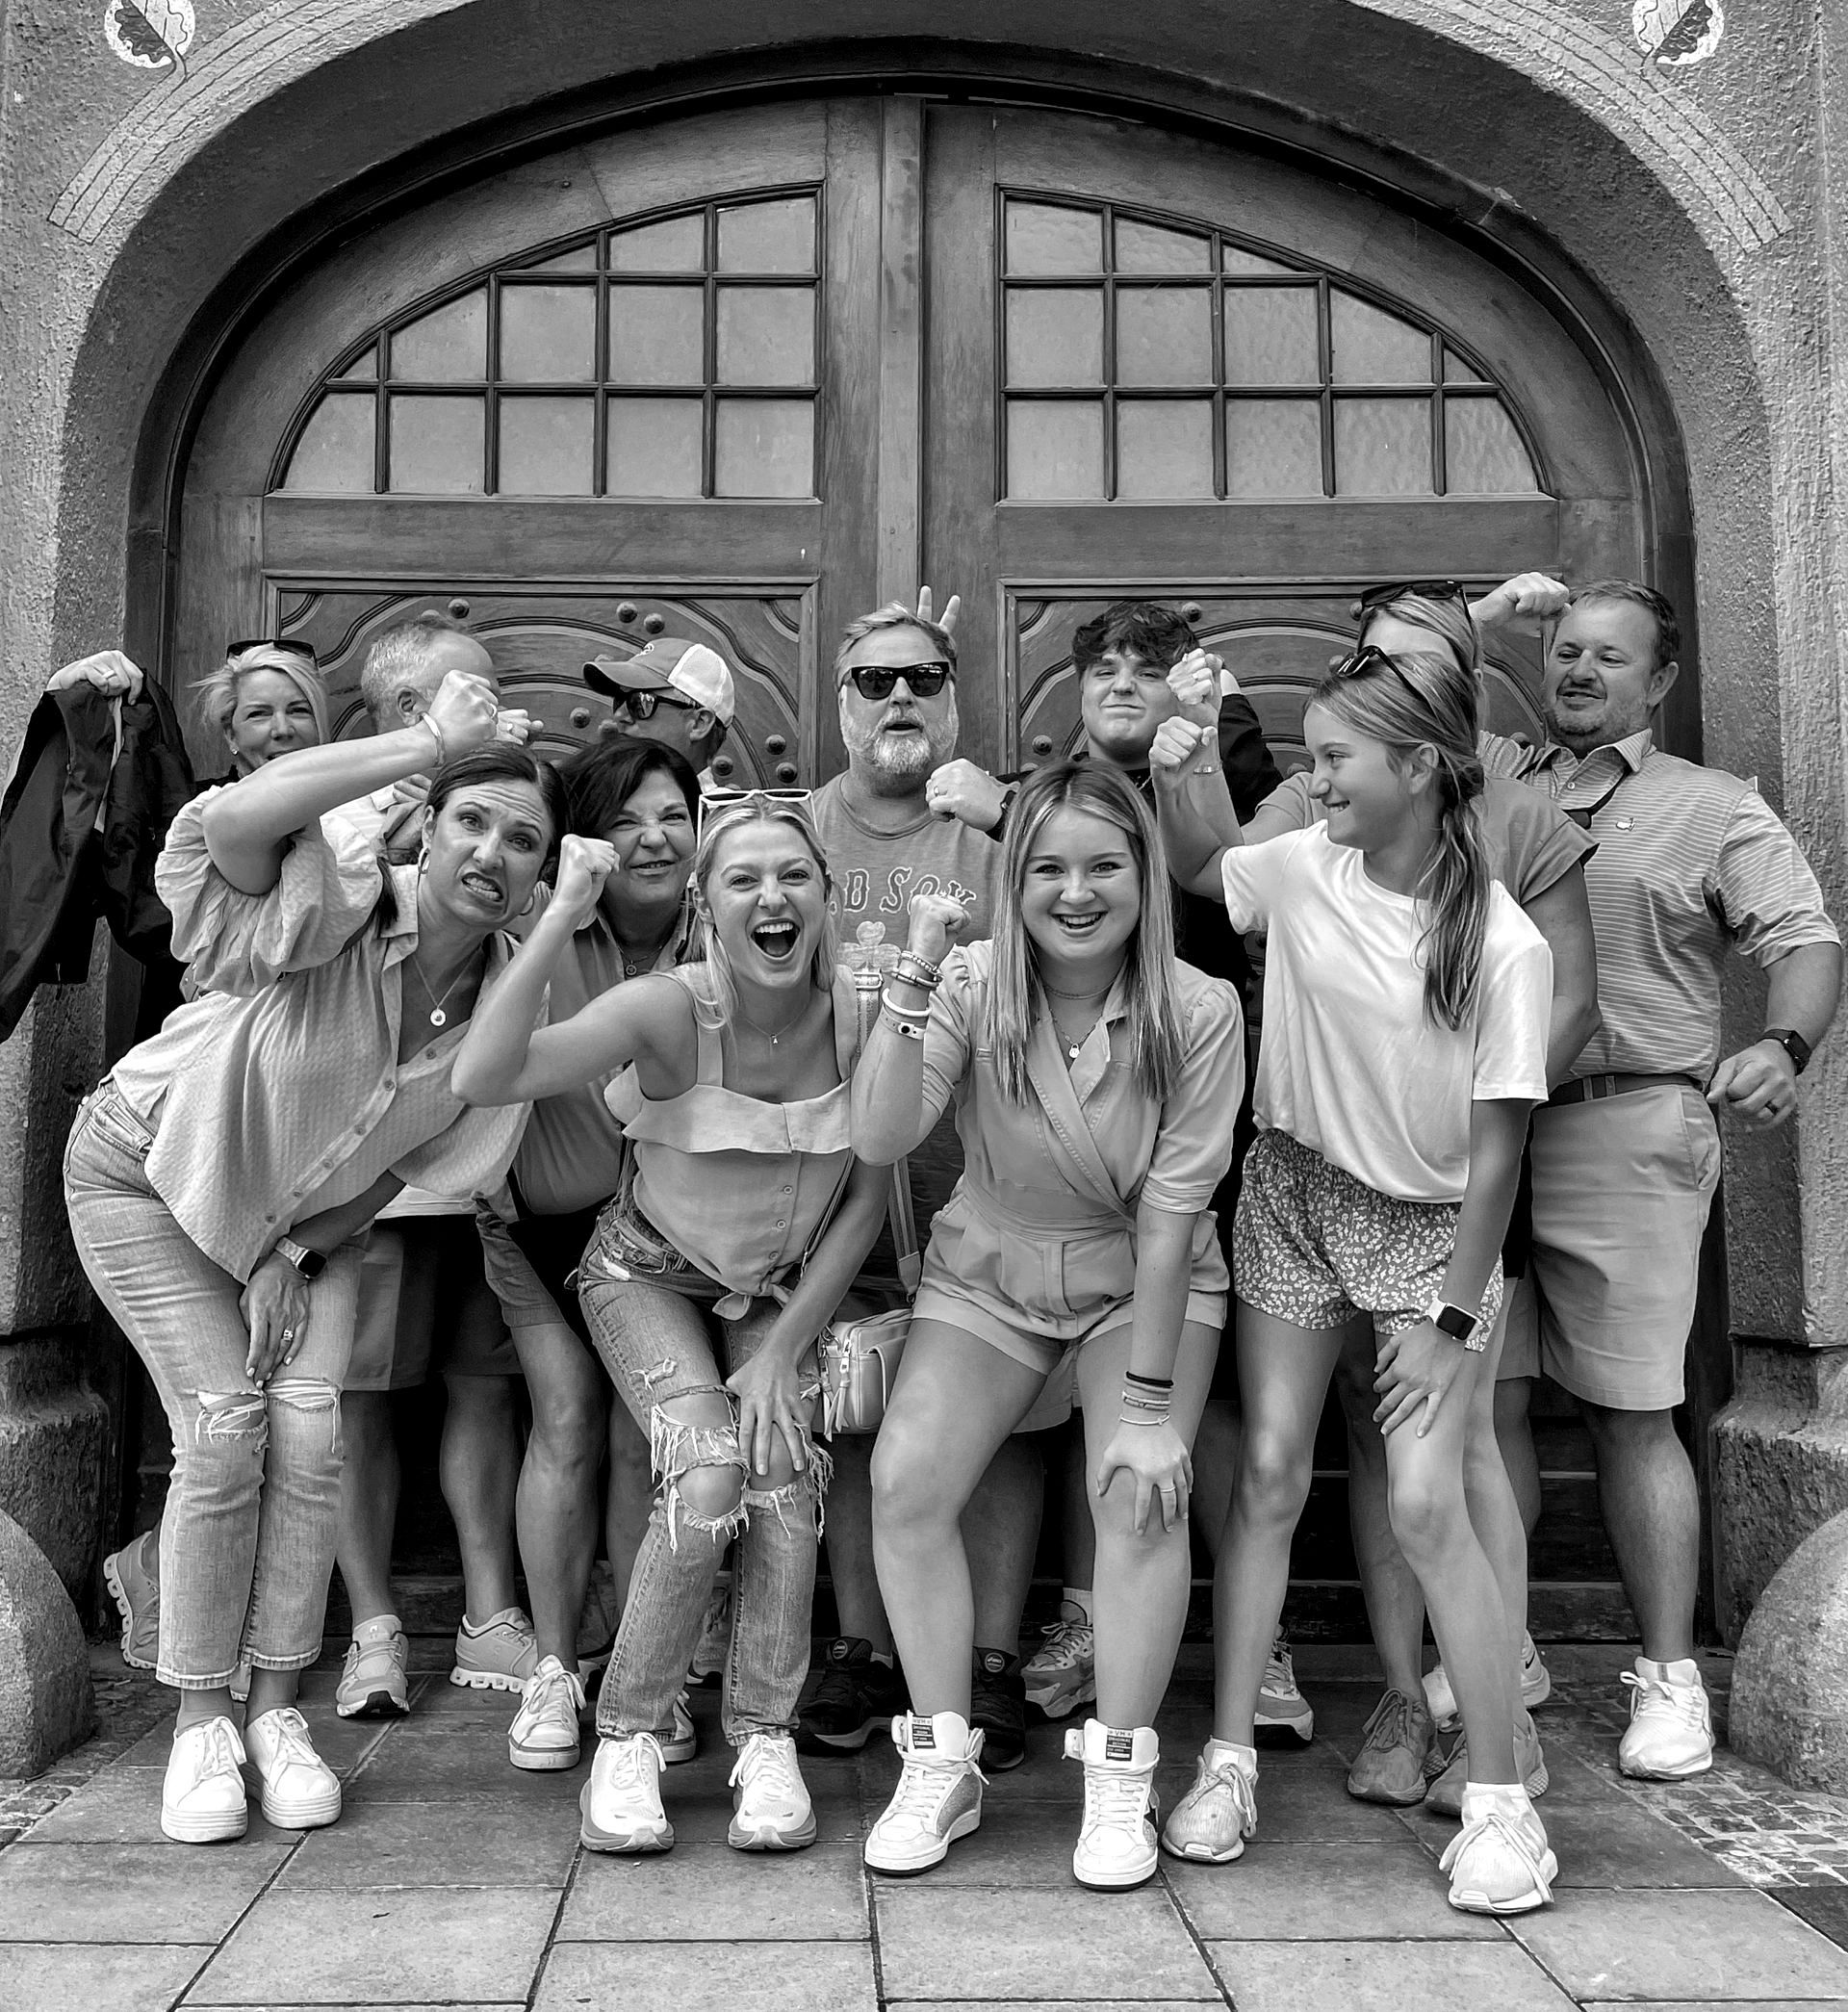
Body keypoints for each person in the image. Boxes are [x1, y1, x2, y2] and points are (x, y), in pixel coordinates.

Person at [63, 672, 558, 1844]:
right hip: (148, 1174)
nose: (491, 852)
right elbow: (238, 820)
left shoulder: (504, 1002)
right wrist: (429, 740)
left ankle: (276, 1709)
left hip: (292, 1231)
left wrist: (295, 1247)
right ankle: (200, 1722)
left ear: (542, 877)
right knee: (226, 1423)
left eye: (522, 840)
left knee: (310, 1433)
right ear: (426, 825)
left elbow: (411, 1160)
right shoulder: (340, 905)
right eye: (471, 820)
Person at [1151, 645, 1559, 1916]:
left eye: (1335, 757)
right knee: (1271, 1472)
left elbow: (1500, 1155)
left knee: (1429, 1499)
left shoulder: (1502, 940)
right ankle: (1226, 1762)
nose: (1314, 776)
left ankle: (1501, 1801)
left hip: (1435, 1229)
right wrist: (1180, 755)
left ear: (1420, 766)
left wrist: (1451, 1318)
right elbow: (1200, 863)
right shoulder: (1303, 868)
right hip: (1293, 1187)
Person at [452, 792, 890, 1855]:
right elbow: (483, 1074)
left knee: (782, 1467)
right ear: (705, 905)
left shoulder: (861, 1014)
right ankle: (630, 1734)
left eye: (794, 875)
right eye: (743, 879)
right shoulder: (667, 1007)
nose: (772, 897)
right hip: (642, 1273)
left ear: (829, 898)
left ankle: (765, 1735)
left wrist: (782, 1355)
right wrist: (561, 914)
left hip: (777, 1290)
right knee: (706, 1475)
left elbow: (870, 1197)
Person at [854, 762, 1243, 1891]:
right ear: (1012, 879)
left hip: (1140, 1278)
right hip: (993, 1266)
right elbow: (882, 1137)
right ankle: (942, 1758)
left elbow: (1172, 1215)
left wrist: (1150, 1412)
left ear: (1145, 878)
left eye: (1104, 865)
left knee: (1136, 1491)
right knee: (906, 1478)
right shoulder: (971, 980)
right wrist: (914, 969)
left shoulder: (1199, 1008)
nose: (1076, 893)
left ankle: (1121, 1768)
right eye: (1048, 868)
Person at [1478, 581, 1840, 1779]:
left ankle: (1670, 1673)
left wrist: (1782, 1044)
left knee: (1633, 1407)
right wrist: (1484, 614)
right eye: (1565, 651)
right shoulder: (1492, 774)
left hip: (1623, 1119)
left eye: (1609, 656)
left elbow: (1804, 938)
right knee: (1484, 1402)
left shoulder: (1713, 804)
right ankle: (1502, 1648)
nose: (1580, 671)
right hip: (1474, 1127)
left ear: (1661, 679)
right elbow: (1396, 683)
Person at [930, 599, 1292, 1739]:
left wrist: (1205, 747)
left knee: (1191, 1409)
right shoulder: (1030, 795)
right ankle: (1073, 1620)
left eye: (1149, 664)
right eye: (1104, 667)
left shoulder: (1224, 758)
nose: (1126, 683)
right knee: (1014, 1424)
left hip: (1182, 1101)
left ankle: (1248, 1633)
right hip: (1030, 1160)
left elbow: (1225, 878)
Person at [1292, 581, 1601, 1809]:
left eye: (1420, 662)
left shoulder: (1523, 820)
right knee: (1381, 1436)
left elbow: (1566, 1000)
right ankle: (1400, 1693)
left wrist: (1459, 1109)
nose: (1394, 676)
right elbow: (1225, 865)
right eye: (1375, 658)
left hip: (1461, 1179)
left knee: (1466, 1445)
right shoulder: (1328, 802)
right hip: (1336, 1184)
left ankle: (1494, 1718)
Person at [802, 597, 1047, 1773]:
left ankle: (989, 1658)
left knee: (1001, 1413)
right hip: (834, 1176)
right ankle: (859, 1646)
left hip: (986, 1172)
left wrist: (1006, 813)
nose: (899, 695)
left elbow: (1095, 931)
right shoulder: (801, 828)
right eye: (873, 677)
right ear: (838, 700)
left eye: (924, 677)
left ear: (956, 697)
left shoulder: (1001, 826)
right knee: (858, 1399)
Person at [320, 613, 540, 1720]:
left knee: (483, 1383)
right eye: (481, 695)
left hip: (484, 1170)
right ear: (415, 710)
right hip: (374, 1185)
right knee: (360, 1398)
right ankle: (372, 1626)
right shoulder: (350, 816)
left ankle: (491, 1610)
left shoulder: (501, 815)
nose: (504, 712)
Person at [472, 735, 702, 1771]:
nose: (652, 838)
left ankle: (648, 1675)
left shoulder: (728, 920)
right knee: (564, 1418)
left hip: (674, 1244)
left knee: (644, 1441)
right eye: (624, 819)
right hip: (543, 1224)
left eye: (672, 815)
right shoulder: (538, 917)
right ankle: (556, 1669)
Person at [583, 635, 733, 788]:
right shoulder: (596, 798)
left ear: (699, 724)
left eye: (640, 702)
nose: (619, 716)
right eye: (619, 699)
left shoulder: (721, 806)